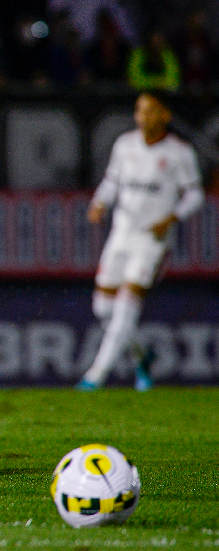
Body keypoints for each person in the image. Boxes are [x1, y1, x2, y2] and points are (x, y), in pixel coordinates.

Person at [79, 91, 202, 391]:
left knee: (125, 306)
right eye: (139, 110)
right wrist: (99, 203)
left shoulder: (179, 152)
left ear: (164, 116)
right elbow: (112, 181)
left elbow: (195, 195)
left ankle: (93, 378)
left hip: (152, 241)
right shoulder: (124, 145)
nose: (143, 116)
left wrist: (171, 217)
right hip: (120, 235)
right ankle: (142, 359)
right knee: (103, 309)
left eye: (150, 111)